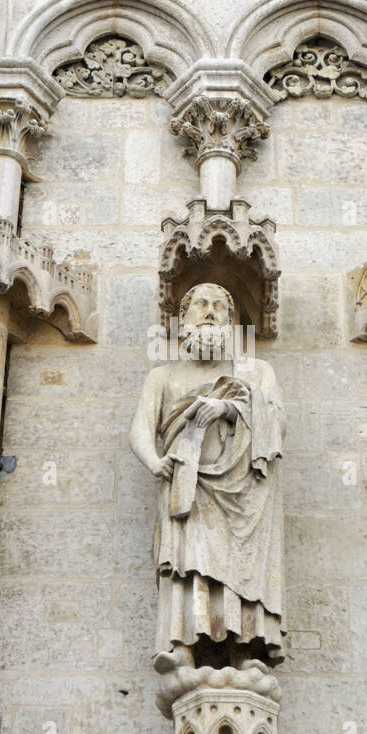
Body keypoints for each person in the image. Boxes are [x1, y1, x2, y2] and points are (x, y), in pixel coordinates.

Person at [130, 283, 285, 672]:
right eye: (200, 305)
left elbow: (277, 421)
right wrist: (154, 462)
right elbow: (140, 430)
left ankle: (244, 649)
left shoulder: (257, 371)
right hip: (188, 485)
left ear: (232, 322)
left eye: (220, 306)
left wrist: (228, 408)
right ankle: (181, 644)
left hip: (243, 493)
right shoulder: (164, 376)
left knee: (241, 561)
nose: (210, 311)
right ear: (183, 321)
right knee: (188, 560)